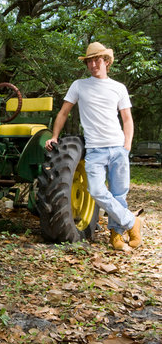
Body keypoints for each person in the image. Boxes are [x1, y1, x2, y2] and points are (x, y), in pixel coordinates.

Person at [45, 42, 142, 251]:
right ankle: (132, 222)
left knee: (118, 195)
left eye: (97, 59)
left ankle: (116, 235)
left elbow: (127, 119)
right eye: (89, 61)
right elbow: (63, 113)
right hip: (95, 150)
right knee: (97, 191)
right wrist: (54, 136)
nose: (93, 64)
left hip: (118, 148)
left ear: (106, 61)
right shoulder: (79, 85)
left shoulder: (118, 88)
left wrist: (127, 146)